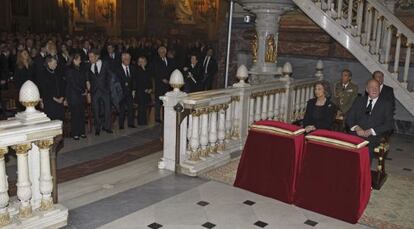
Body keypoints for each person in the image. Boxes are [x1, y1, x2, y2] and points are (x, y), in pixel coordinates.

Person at [346, 79, 394, 161]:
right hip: (357, 132)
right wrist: (357, 128)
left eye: (377, 87)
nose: (374, 89)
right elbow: (349, 118)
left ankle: (363, 172)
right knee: (346, 146)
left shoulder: (386, 104)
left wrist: (371, 131)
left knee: (366, 146)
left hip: (374, 135)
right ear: (367, 89)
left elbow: (389, 124)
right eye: (371, 87)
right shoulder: (359, 100)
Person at [87, 49, 113, 135]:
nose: (90, 58)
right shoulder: (88, 66)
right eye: (89, 57)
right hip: (94, 92)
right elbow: (87, 78)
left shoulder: (105, 63)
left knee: (107, 109)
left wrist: (108, 88)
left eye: (91, 56)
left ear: (97, 56)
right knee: (96, 110)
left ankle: (107, 127)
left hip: (105, 91)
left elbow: (110, 76)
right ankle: (97, 127)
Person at [65, 53, 87, 140]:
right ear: (74, 60)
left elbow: (83, 80)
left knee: (81, 114)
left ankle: (82, 132)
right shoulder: (69, 70)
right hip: (73, 95)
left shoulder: (80, 69)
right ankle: (75, 133)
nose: (80, 61)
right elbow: (73, 83)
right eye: (79, 59)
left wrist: (85, 89)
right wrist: (82, 91)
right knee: (75, 115)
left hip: (80, 94)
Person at [38, 56, 65, 120]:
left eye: (56, 63)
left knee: (60, 121)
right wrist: (56, 99)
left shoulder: (58, 72)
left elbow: (63, 85)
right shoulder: (43, 74)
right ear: (49, 63)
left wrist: (62, 97)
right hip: (50, 102)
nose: (56, 65)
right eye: (54, 63)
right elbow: (44, 90)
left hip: (60, 101)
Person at [115, 52, 136, 129]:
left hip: (130, 91)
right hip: (121, 92)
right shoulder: (118, 69)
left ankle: (130, 123)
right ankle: (121, 125)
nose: (128, 61)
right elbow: (116, 81)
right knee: (122, 109)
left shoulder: (132, 68)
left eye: (129, 59)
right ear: (122, 59)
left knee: (131, 108)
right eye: (127, 59)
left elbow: (134, 80)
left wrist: (133, 89)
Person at [152, 46, 173, 122]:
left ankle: (166, 116)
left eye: (163, 52)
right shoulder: (155, 61)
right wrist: (162, 79)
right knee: (158, 102)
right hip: (160, 84)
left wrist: (170, 79)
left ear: (166, 52)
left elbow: (171, 70)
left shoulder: (170, 60)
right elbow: (154, 72)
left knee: (167, 101)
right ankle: (157, 117)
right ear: (158, 53)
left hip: (168, 85)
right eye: (160, 52)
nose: (162, 53)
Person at [136, 56, 152, 125]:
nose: (144, 62)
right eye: (142, 61)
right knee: (141, 107)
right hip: (140, 91)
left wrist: (150, 88)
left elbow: (149, 80)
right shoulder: (138, 70)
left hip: (147, 91)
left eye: (144, 61)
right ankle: (141, 122)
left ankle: (144, 121)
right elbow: (138, 82)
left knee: (145, 107)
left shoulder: (147, 69)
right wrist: (144, 89)